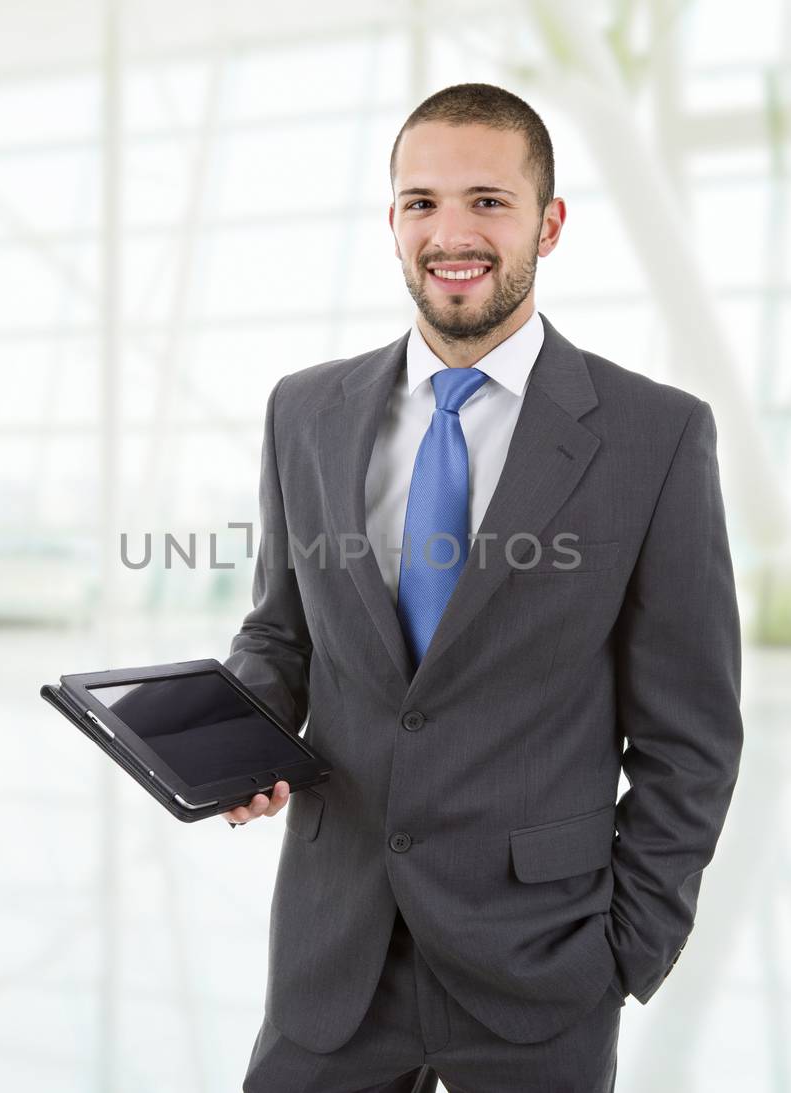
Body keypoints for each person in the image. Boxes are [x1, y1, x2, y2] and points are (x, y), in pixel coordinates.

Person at [221, 82, 744, 1093]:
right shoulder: (304, 412)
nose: (450, 232)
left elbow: (692, 735)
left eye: (487, 201)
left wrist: (627, 950)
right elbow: (281, 637)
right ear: (391, 224)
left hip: (539, 966)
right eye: (421, 202)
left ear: (548, 225)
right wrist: (232, 729)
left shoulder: (655, 437)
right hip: (335, 955)